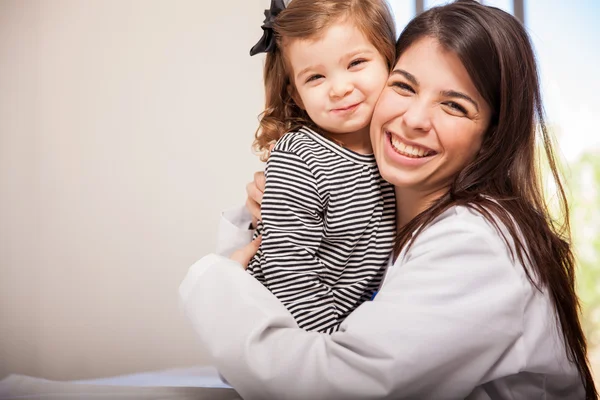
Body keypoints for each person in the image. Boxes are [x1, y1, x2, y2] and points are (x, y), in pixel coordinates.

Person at [179, 1, 597, 398]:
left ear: (492, 135)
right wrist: (275, 212)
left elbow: (327, 385)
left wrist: (214, 279)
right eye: (404, 86)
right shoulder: (376, 208)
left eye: (453, 105)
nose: (414, 119)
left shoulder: (477, 243)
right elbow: (253, 356)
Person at [243, 0, 397, 333]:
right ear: (296, 96)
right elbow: (288, 268)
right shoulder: (299, 157)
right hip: (281, 333)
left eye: (356, 62)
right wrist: (327, 350)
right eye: (315, 77)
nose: (340, 88)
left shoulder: (397, 154)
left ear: (389, 61)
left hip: (339, 333)